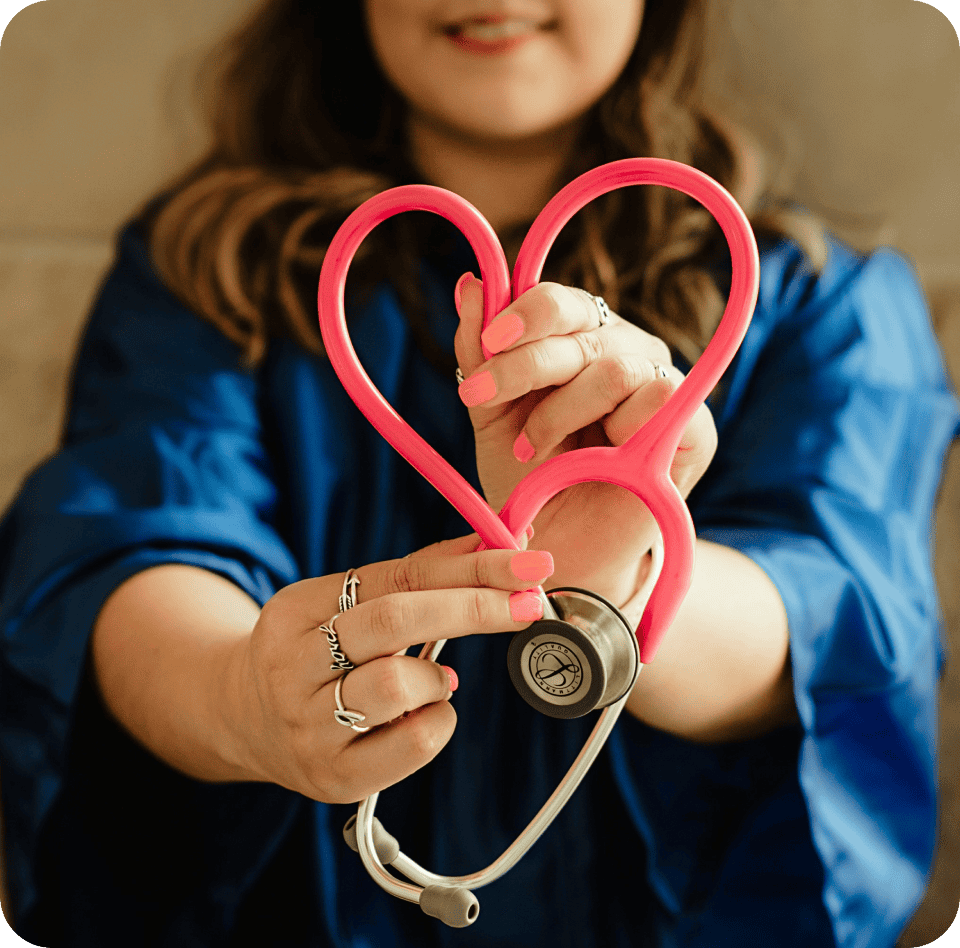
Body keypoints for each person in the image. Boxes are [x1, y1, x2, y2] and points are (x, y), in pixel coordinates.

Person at [0, 1, 957, 945]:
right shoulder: (202, 275)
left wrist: (616, 586)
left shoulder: (824, 305)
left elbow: (837, 611)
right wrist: (237, 702)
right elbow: (124, 544)